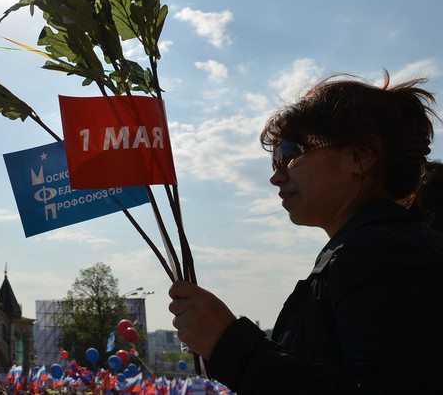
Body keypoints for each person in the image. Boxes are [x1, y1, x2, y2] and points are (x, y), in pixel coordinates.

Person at [168, 74, 443, 394]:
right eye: (274, 159)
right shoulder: (371, 249)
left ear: (361, 155)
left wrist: (230, 345)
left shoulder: (383, 255)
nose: (276, 176)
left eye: (289, 153)